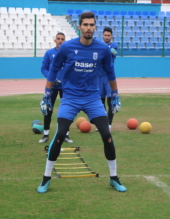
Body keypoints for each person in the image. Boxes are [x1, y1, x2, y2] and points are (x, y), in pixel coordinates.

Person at [37, 12, 126, 193]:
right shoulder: (67, 47)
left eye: (91, 25)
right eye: (85, 24)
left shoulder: (102, 49)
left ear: (95, 27)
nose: (88, 28)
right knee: (60, 134)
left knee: (107, 136)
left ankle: (114, 177)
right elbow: (54, 69)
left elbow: (110, 72)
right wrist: (47, 93)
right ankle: (45, 178)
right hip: (70, 98)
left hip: (93, 98)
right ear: (79, 27)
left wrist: (115, 94)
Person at [39, 32, 73, 144]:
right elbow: (43, 68)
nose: (60, 41)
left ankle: (66, 135)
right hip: (52, 86)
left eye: (62, 39)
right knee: (48, 109)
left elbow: (72, 69)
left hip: (65, 87)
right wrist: (51, 78)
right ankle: (46, 134)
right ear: (55, 40)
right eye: (58, 39)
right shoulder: (49, 53)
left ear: (65, 41)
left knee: (67, 111)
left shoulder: (69, 54)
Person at [97, 27, 118, 132]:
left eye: (108, 35)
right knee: (101, 103)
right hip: (99, 77)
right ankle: (103, 124)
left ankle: (109, 125)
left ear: (111, 36)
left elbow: (112, 53)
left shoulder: (114, 46)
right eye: (105, 35)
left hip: (109, 77)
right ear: (102, 35)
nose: (106, 37)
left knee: (110, 101)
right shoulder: (99, 46)